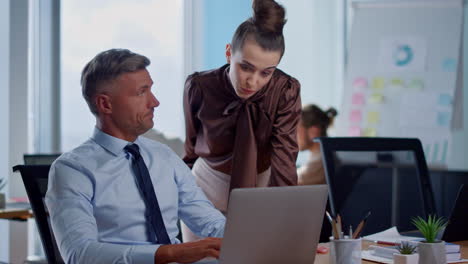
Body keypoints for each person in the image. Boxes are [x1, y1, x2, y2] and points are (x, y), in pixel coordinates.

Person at [45, 49, 226, 264]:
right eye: (142, 92)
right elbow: (80, 254)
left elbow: (209, 221)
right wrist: (171, 254)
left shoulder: (164, 156)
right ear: (105, 104)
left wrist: (252, 238)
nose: (154, 102)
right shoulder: (72, 170)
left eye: (151, 90)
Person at [182, 0, 301, 241]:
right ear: (229, 53)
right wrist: (184, 195)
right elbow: (191, 147)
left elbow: (285, 161)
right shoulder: (199, 86)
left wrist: (287, 219)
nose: (253, 81)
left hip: (261, 189)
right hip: (205, 189)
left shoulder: (286, 90)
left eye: (266, 72)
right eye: (246, 67)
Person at [296, 104, 338, 185]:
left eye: (296, 131)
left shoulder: (321, 163)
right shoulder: (321, 158)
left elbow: (285, 184)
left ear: (313, 131)